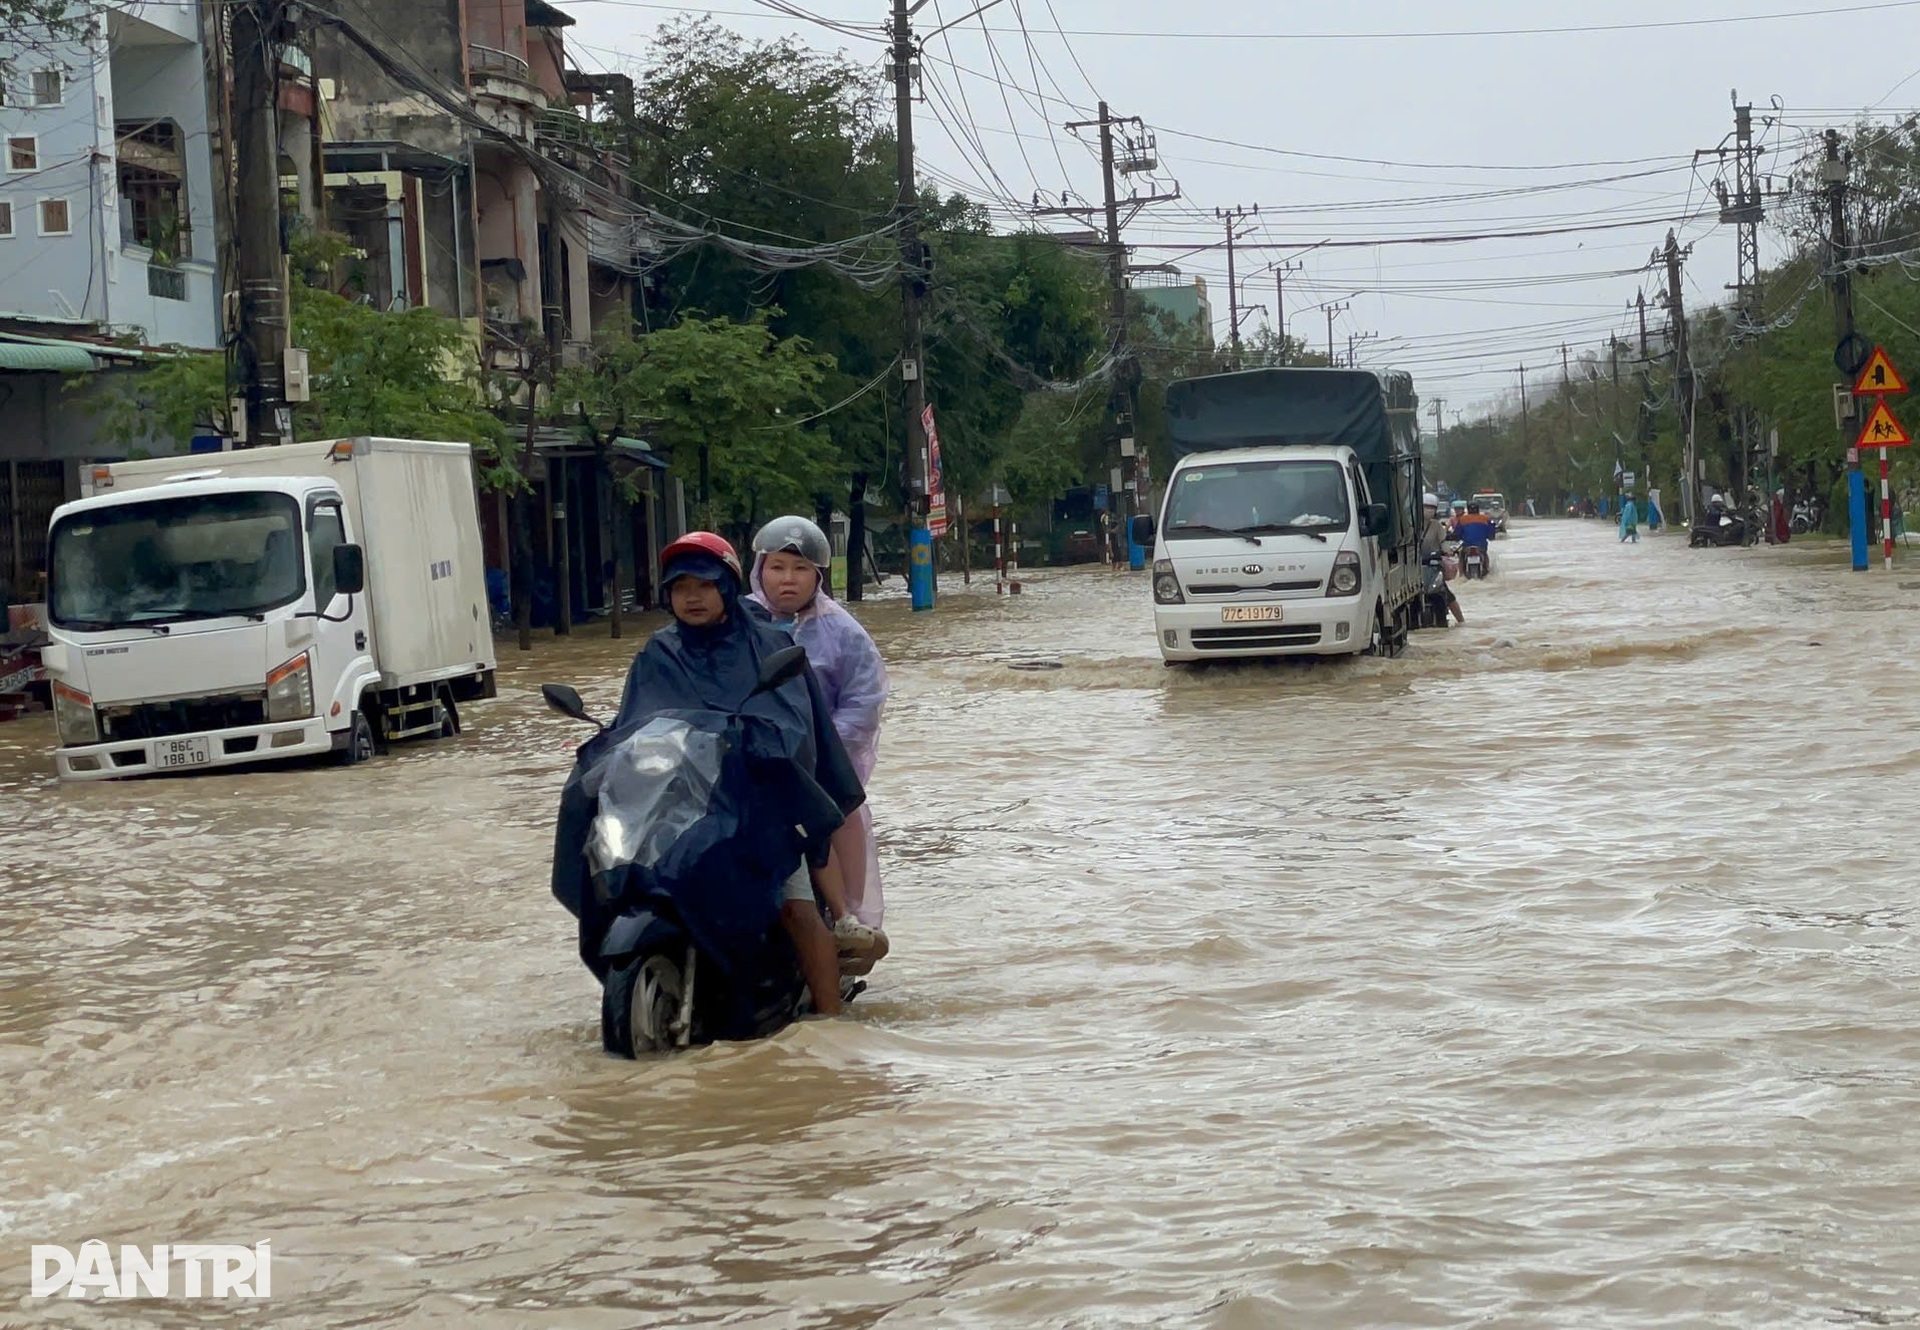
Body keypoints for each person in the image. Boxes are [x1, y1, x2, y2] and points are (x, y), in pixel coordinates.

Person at [614, 532, 870, 1016]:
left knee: (796, 907)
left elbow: (794, 723)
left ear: (728, 587)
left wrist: (757, 744)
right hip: (680, 805)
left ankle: (834, 1018)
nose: (692, 596)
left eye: (704, 585)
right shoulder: (657, 654)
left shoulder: (768, 644)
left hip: (759, 804)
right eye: (680, 586)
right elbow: (634, 724)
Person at [747, 516, 892, 971]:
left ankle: (844, 921)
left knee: (833, 823)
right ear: (759, 570)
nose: (787, 579)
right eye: (777, 567)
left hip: (819, 768)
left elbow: (864, 704)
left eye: (800, 569)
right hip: (750, 761)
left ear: (818, 576)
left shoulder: (844, 633)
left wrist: (815, 746)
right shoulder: (737, 624)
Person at [1419, 494, 1466, 625]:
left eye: (1431, 507)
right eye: (1426, 507)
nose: (1428, 510)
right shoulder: (1411, 526)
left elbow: (1444, 542)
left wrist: (1448, 551)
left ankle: (1461, 622)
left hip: (1433, 567)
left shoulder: (1437, 526)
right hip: (1415, 567)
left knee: (1446, 594)